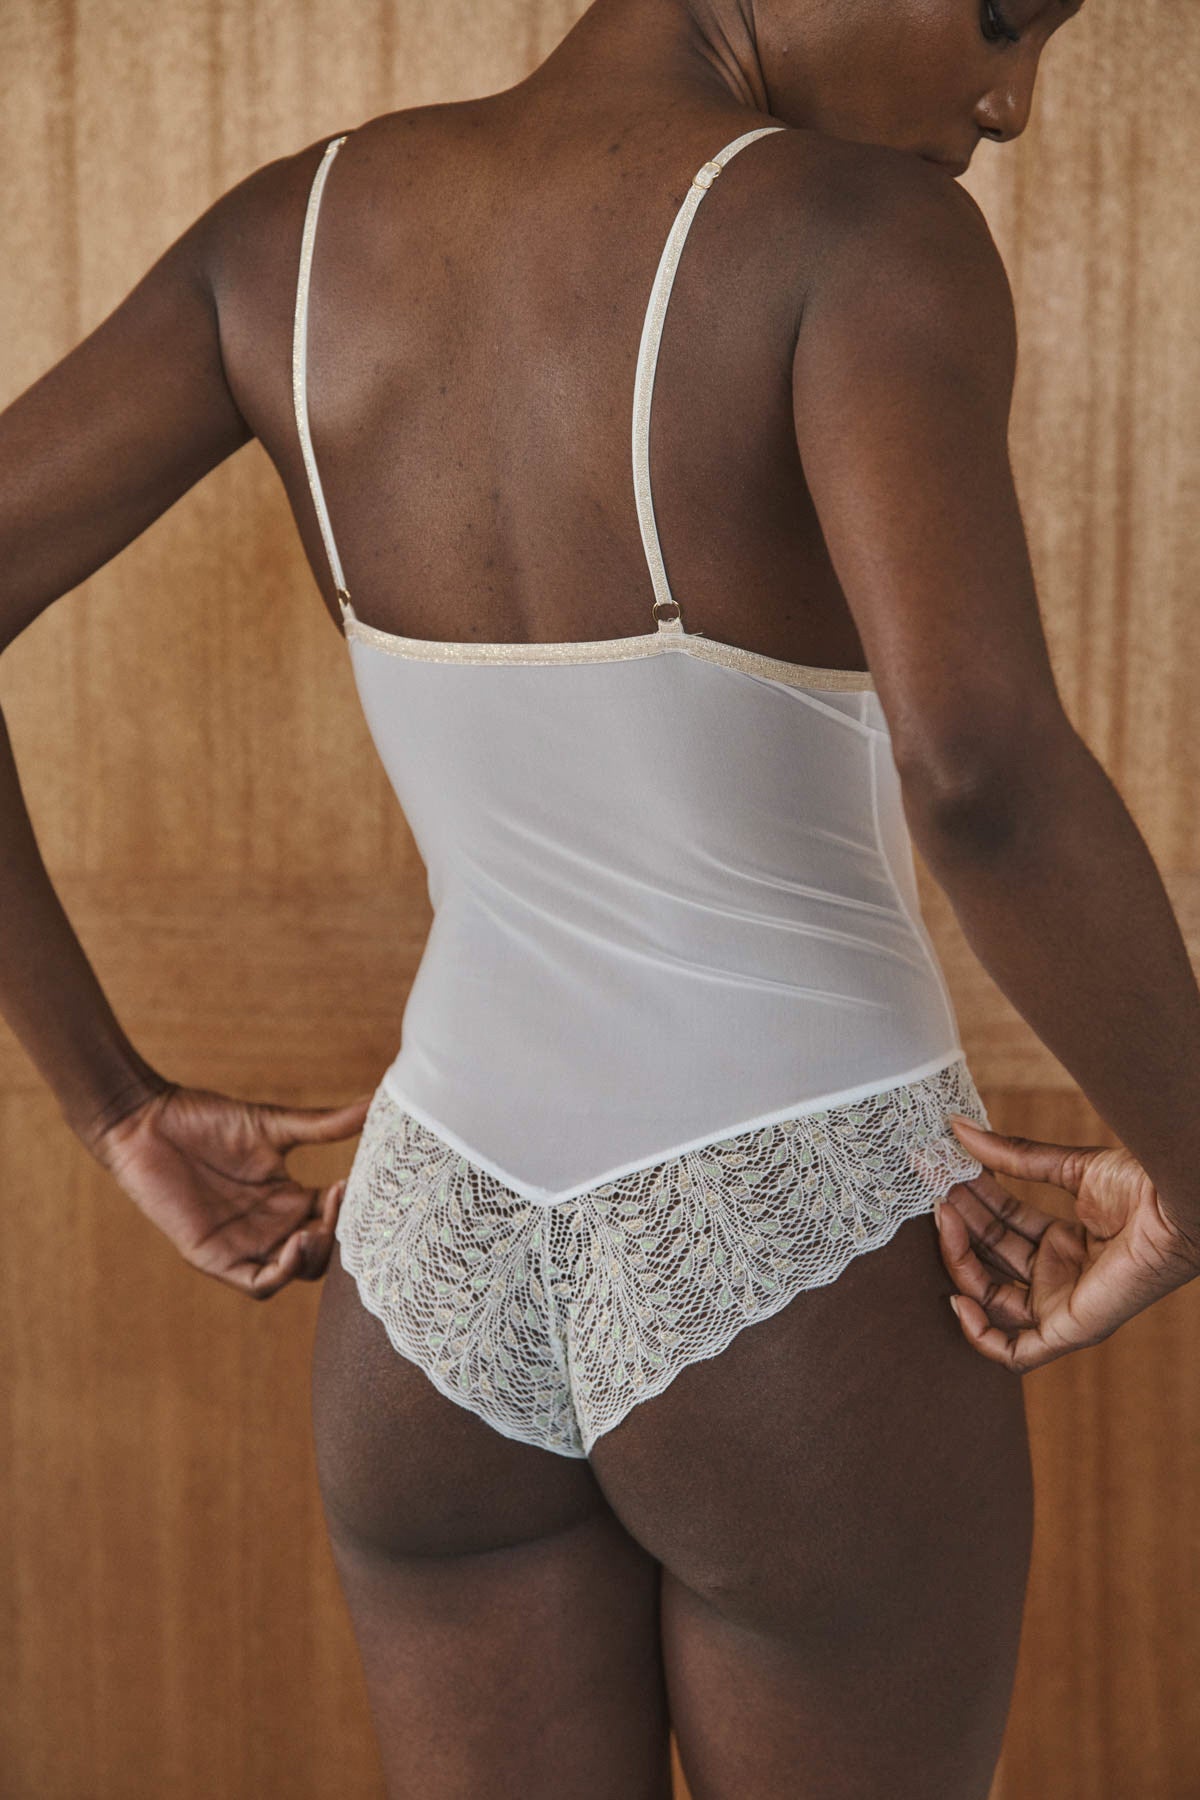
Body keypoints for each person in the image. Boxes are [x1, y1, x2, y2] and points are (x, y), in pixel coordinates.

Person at [2, 0, 1197, 1794]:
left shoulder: (286, 239)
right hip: (805, 1260)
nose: (1009, 100)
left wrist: (109, 1104)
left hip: (431, 1265)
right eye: (1005, 15)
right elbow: (979, 771)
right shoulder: (863, 239)